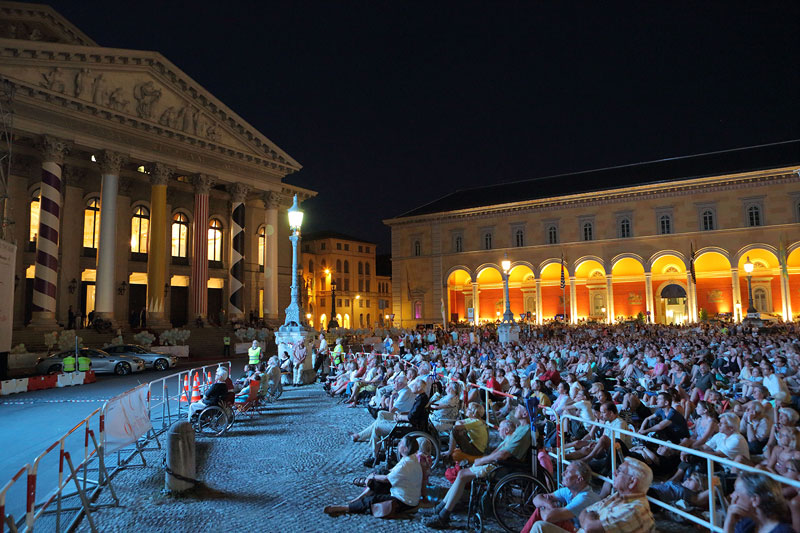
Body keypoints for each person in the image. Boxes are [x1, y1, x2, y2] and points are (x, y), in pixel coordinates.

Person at [425, 404, 531, 529]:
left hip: (504, 466)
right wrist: (484, 460)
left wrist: (481, 460)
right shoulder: (521, 429)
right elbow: (500, 449)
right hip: (500, 462)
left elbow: (503, 454)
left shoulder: (524, 430)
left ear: (524, 414)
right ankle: (441, 509)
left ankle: (443, 514)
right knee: (461, 473)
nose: (515, 409)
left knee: (462, 474)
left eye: (519, 408)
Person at [324, 435, 422, 518]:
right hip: (406, 494)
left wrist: (373, 476)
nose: (399, 443)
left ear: (405, 449)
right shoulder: (412, 458)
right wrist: (376, 475)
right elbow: (391, 472)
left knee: (372, 500)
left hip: (404, 501)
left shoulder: (405, 464)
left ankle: (345, 507)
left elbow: (386, 479)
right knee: (382, 472)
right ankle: (361, 496)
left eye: (401, 443)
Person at [576, 457, 655, 533]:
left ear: (632, 482)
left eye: (619, 471)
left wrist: (589, 516)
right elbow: (584, 512)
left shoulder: (634, 509)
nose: (614, 473)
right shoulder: (618, 495)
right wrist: (590, 517)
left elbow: (589, 527)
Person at [523, 460, 600, 533]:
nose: (562, 474)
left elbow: (548, 517)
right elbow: (536, 499)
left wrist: (545, 507)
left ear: (579, 479)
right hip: (574, 528)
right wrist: (547, 504)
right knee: (540, 509)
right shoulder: (569, 490)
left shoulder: (585, 498)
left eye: (568, 472)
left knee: (540, 522)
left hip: (581, 531)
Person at [724, 471, 794, 533]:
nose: (731, 496)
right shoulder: (746, 524)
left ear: (755, 500)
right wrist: (729, 524)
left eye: (736, 491)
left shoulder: (783, 531)